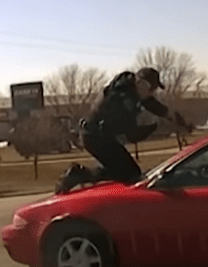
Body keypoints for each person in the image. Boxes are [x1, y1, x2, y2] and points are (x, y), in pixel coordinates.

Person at [55, 67, 188, 193]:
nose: (152, 92)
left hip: (98, 135)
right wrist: (156, 127)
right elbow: (132, 134)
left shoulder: (132, 90)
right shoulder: (124, 100)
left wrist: (181, 121)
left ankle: (84, 175)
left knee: (127, 171)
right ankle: (80, 174)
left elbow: (157, 107)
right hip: (95, 137)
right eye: (151, 89)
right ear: (141, 83)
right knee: (130, 173)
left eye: (154, 89)